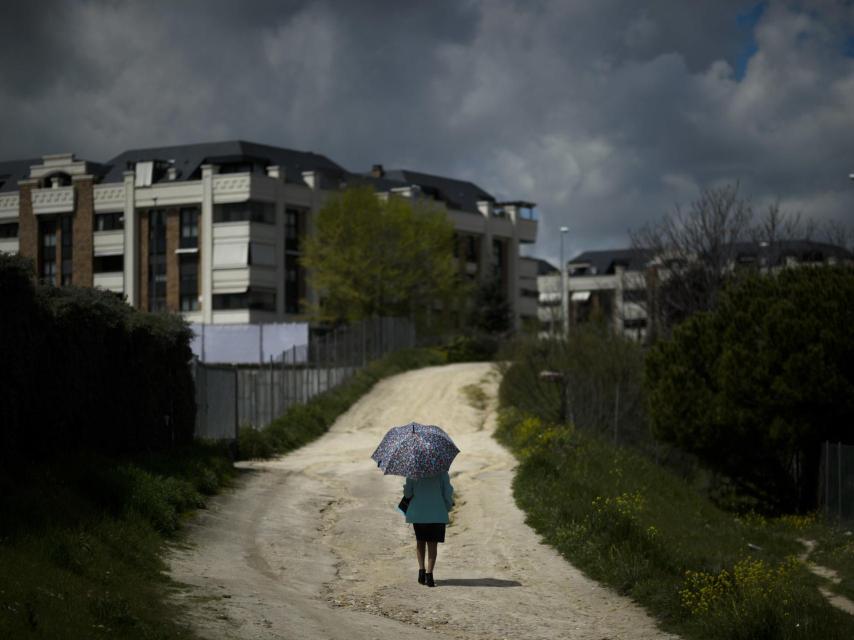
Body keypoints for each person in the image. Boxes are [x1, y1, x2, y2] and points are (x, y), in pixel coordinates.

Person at [403, 471, 454, 587]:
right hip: (437, 512)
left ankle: (421, 572)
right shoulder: (441, 472)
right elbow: (447, 492)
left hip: (418, 513)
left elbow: (407, 494)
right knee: (432, 544)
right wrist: (447, 506)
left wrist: (406, 486)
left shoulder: (413, 472)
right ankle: (429, 575)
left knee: (420, 541)